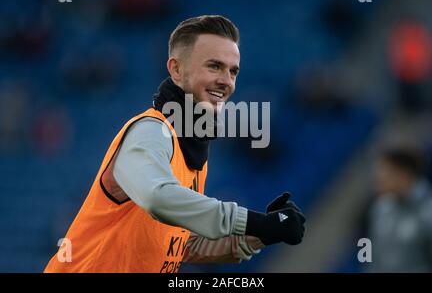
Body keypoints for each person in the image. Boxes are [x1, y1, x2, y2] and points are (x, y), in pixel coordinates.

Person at [44, 15, 306, 273]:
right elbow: (157, 197)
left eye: (232, 71)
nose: (226, 81)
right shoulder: (151, 131)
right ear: (176, 69)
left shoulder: (192, 148)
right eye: (214, 66)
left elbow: (179, 243)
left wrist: (265, 232)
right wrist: (254, 222)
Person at [365, 145, 432, 272]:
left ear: (402, 173)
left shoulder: (428, 211)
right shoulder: (381, 209)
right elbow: (374, 260)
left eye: (383, 171)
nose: (376, 177)